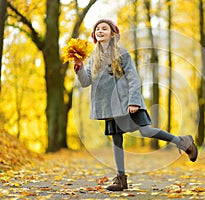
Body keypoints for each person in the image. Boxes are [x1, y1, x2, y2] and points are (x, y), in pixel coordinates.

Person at [74, 19, 198, 191]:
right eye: (97, 29)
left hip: (127, 101)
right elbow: (86, 82)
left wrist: (133, 101)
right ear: (94, 35)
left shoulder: (122, 53)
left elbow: (133, 78)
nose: (100, 31)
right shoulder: (93, 58)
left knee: (145, 131)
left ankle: (183, 142)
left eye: (104, 28)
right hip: (110, 107)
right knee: (117, 140)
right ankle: (121, 179)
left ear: (112, 34)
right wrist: (79, 69)